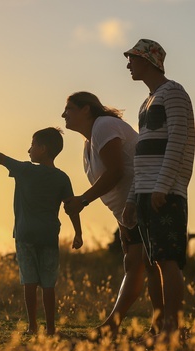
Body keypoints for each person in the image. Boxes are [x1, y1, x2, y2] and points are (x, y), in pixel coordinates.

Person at [0, 127, 83, 335]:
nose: (28, 150)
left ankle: (33, 326)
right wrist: (78, 233)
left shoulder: (25, 170)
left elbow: (0, 157)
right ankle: (50, 328)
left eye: (32, 145)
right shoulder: (62, 178)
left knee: (29, 282)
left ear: (42, 149)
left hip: (25, 235)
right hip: (49, 236)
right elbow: (71, 207)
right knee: (48, 284)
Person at [61, 92, 163, 338]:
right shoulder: (91, 140)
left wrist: (83, 200)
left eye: (69, 109)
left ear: (86, 109)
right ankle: (157, 324)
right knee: (139, 264)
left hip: (143, 200)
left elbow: (117, 172)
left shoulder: (104, 126)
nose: (64, 114)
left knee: (146, 264)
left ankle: (120, 325)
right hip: (128, 210)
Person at [121, 39, 195, 340]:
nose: (128, 65)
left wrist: (163, 186)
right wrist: (131, 198)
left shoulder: (174, 93)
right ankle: (161, 325)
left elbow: (178, 142)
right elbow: (142, 155)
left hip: (165, 192)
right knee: (153, 262)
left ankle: (172, 330)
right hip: (145, 193)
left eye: (133, 59)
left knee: (167, 260)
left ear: (149, 62)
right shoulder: (146, 102)